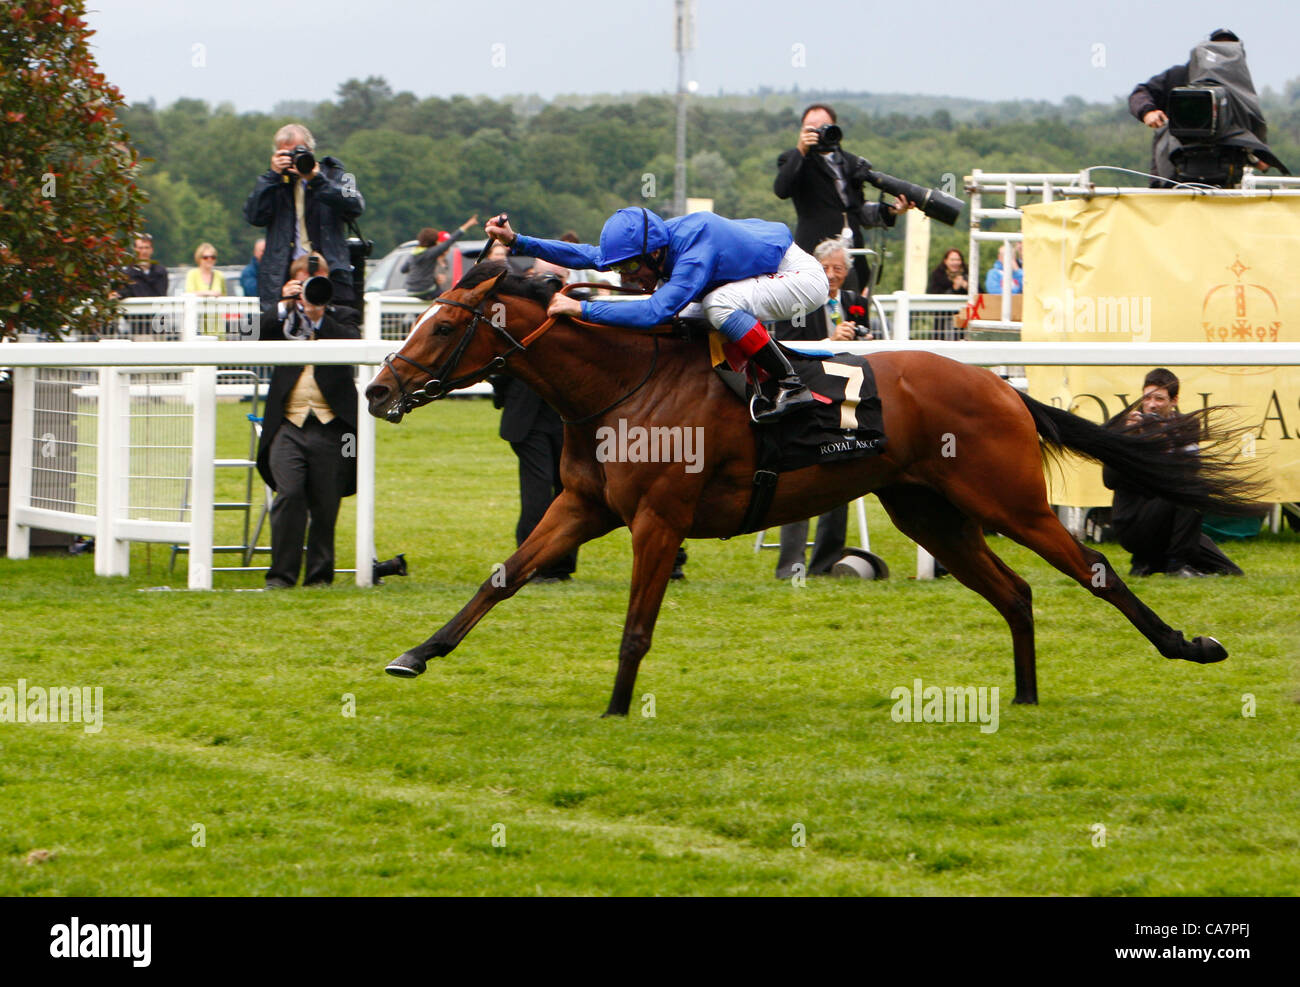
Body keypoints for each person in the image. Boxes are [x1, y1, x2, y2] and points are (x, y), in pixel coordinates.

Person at [484, 206, 827, 423]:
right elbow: (587, 254)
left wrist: (582, 308)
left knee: (717, 305)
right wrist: (517, 241)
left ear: (656, 255)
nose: (627, 276)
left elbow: (654, 311)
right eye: (621, 268)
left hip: (798, 275)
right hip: (756, 268)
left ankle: (790, 383)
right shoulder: (653, 244)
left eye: (631, 267)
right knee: (688, 318)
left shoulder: (694, 255)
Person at [767, 238, 876, 578]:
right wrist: (828, 343)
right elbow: (786, 345)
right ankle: (791, 565)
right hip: (805, 389)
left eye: (838, 269)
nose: (832, 275)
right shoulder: (798, 297)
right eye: (826, 268)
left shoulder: (856, 302)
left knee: (841, 469)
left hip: (847, 393)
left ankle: (826, 563)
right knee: (799, 473)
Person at [255, 252, 360, 588]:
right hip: (288, 423)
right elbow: (257, 336)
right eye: (305, 283)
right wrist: (286, 306)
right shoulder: (283, 318)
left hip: (334, 426)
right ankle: (281, 577)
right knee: (289, 494)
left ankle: (319, 577)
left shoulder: (341, 314)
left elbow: (353, 344)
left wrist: (317, 317)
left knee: (327, 503)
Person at [1103, 368, 1243, 577]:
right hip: (1133, 523)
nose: (1151, 404)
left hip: (1170, 520)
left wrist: (1159, 441)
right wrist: (1125, 442)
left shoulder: (1186, 426)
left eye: (1159, 398)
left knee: (1231, 573)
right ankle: (1176, 566)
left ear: (1174, 401)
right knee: (1193, 490)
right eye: (1147, 397)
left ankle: (1148, 563)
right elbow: (1109, 480)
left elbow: (1190, 469)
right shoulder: (1128, 427)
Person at [774, 103, 913, 291]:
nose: (819, 133)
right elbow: (782, 190)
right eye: (811, 129)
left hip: (852, 255)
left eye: (824, 127)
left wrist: (891, 210)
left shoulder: (851, 162)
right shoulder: (793, 159)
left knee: (853, 309)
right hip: (816, 253)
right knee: (817, 312)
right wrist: (801, 150)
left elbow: (858, 210)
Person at [1129, 29, 1281, 188]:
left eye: (1229, 49)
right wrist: (1147, 111)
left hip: (1224, 181)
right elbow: (1140, 93)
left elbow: (1253, 125)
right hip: (1171, 179)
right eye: (1218, 47)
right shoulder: (1179, 76)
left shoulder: (1239, 87)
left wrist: (1257, 154)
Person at [243, 123, 365, 313]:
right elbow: (253, 216)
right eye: (286, 154)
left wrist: (316, 180)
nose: (294, 159)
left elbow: (355, 205)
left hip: (330, 273)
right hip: (283, 276)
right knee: (280, 334)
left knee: (337, 333)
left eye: (300, 153)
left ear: (312, 151)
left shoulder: (336, 173)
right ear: (276, 155)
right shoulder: (272, 182)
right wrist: (272, 177)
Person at [403, 216, 477, 299]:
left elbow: (403, 269)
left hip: (410, 290)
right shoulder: (431, 252)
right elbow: (450, 241)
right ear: (434, 242)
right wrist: (467, 225)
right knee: (449, 298)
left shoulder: (413, 253)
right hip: (425, 290)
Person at [115, 234, 169, 298]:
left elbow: (161, 293)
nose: (144, 251)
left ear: (152, 250)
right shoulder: (127, 273)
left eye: (147, 247)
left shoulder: (160, 272)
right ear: (135, 250)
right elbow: (124, 292)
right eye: (140, 248)